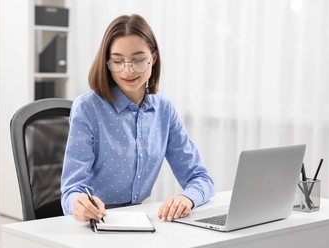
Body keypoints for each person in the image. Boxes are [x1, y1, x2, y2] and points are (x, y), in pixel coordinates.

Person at [60, 14, 214, 223]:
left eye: (138, 60)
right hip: (95, 223)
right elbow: (72, 190)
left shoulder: (164, 110)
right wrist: (78, 203)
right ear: (107, 62)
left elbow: (201, 178)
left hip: (140, 220)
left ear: (153, 58)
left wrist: (187, 198)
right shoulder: (88, 108)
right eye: (117, 61)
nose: (128, 69)